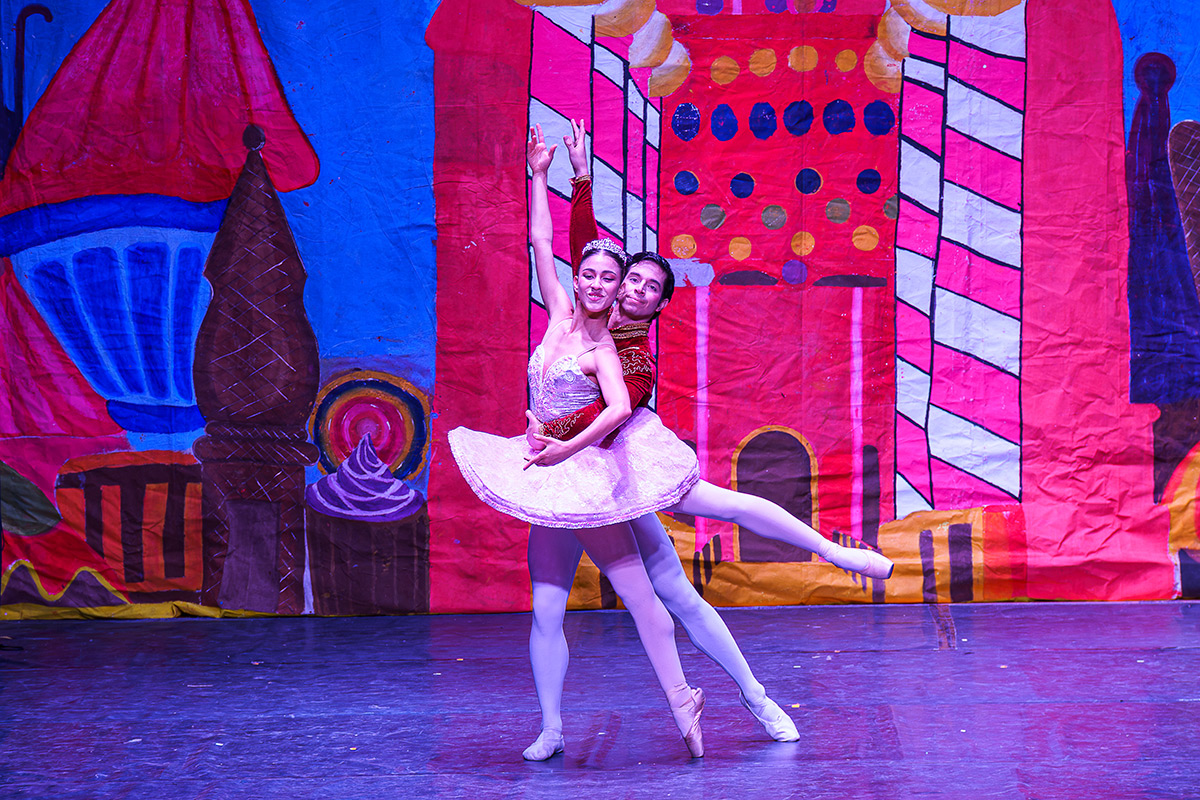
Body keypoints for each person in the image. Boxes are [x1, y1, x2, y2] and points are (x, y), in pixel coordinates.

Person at [517, 119, 894, 759]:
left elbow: (612, 411)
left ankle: (810, 596)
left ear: (658, 305)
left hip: (621, 456)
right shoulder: (579, 306)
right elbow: (578, 247)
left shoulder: (628, 355)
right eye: (627, 279)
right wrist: (572, 175)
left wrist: (553, 437)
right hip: (577, 472)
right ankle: (572, 723)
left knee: (708, 535)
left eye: (648, 288)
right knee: (636, 597)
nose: (630, 289)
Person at [448, 125, 707, 760]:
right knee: (545, 610)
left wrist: (565, 448)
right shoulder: (558, 314)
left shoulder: (607, 349)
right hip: (546, 481)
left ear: (617, 291)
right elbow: (542, 240)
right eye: (586, 273)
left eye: (605, 279)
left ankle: (683, 702)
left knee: (642, 598)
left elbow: (617, 409)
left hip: (585, 477)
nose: (593, 283)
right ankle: (551, 728)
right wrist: (542, 175)